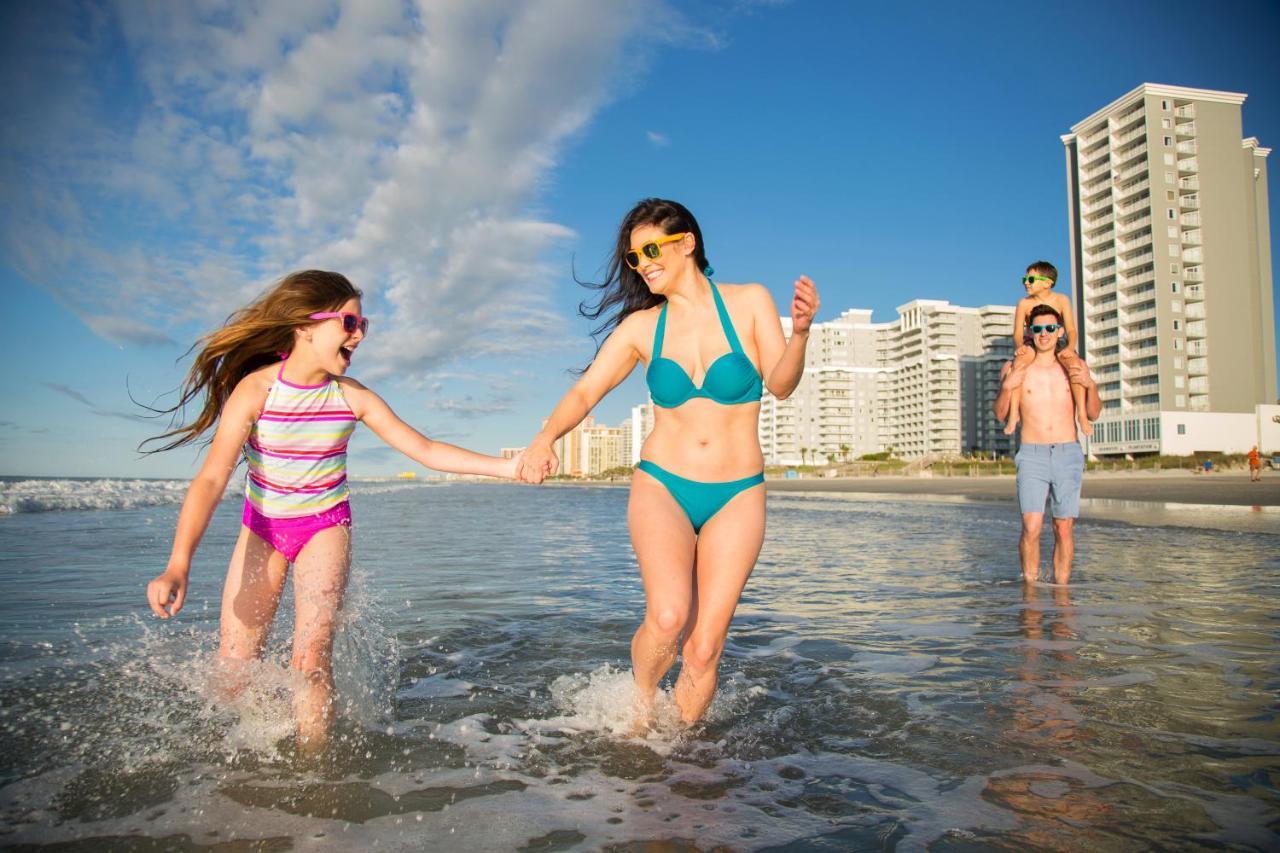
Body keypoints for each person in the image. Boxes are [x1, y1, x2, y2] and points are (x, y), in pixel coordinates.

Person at [144, 270, 518, 753]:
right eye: (349, 323)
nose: (359, 335)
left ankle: (314, 765)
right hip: (262, 528)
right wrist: (178, 564)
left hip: (324, 527)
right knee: (235, 668)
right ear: (304, 326)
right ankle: (244, 756)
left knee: (311, 654)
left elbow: (426, 450)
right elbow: (212, 479)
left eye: (363, 324)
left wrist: (508, 468)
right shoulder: (256, 391)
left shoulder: (351, 396)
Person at [516, 199, 818, 725]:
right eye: (634, 258)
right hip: (664, 485)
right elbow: (587, 391)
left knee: (704, 647)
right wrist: (546, 437)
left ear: (687, 243)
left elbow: (781, 384)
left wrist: (801, 333)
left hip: (738, 491)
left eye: (650, 249)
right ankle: (640, 709)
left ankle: (683, 756)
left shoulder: (748, 302)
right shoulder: (642, 327)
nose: (642, 264)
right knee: (669, 615)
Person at [994, 303, 1101, 584]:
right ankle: (1030, 587)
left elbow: (1093, 413)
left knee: (1063, 528)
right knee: (1031, 527)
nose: (1044, 334)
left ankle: (1061, 590)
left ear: (1060, 331)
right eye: (1038, 329)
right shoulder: (1014, 366)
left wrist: (1091, 385)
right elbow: (1000, 414)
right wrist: (1007, 387)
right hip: (1032, 454)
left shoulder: (1074, 366)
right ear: (1029, 332)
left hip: (1067, 452)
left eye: (1050, 328)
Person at [1004, 262, 1091, 438]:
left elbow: (1071, 329)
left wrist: (1070, 347)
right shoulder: (1024, 303)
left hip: (1057, 338)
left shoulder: (1061, 300)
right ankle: (1014, 414)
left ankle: (1081, 414)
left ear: (1047, 282)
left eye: (1030, 279)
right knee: (1018, 365)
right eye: (1024, 279)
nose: (1026, 283)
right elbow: (1018, 332)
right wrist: (1020, 346)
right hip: (1032, 338)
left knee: (1075, 365)